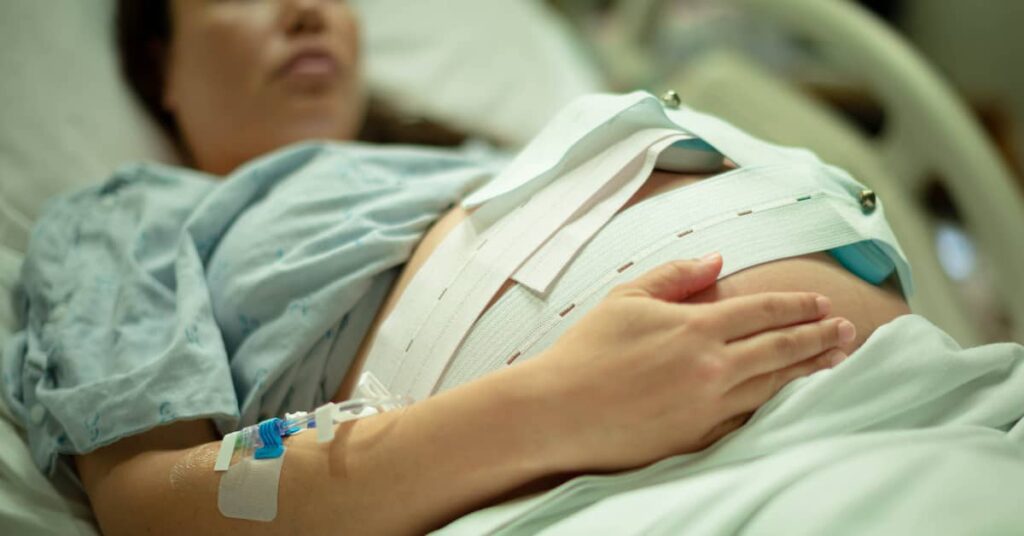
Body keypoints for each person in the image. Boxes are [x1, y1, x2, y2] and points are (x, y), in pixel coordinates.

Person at [1, 0, 909, 534]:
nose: (307, 9)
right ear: (159, 67)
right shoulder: (128, 217)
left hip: (901, 397)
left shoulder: (474, 159)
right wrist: (557, 411)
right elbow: (147, 506)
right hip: (640, 487)